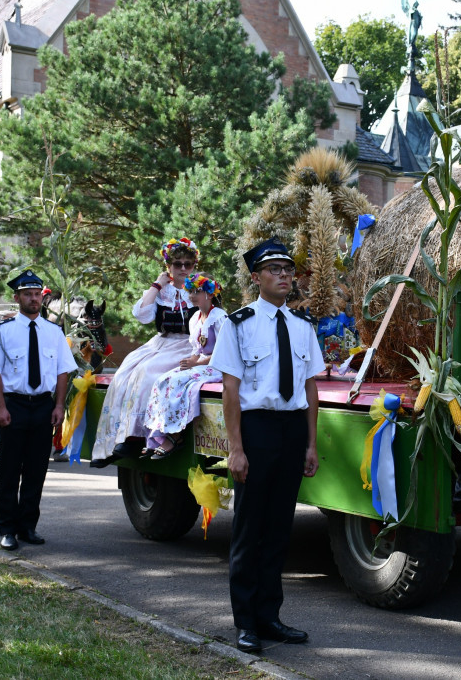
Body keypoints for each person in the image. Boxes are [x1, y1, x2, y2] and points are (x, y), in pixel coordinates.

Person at [209, 237, 325, 653]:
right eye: (274, 270)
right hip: (256, 431)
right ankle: (245, 622)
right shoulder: (237, 324)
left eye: (288, 270)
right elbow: (230, 391)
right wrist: (236, 449)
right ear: (256, 277)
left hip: (292, 431)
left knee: (278, 530)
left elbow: (311, 389)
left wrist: (310, 444)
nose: (283, 276)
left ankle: (270, 616)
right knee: (248, 529)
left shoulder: (303, 326)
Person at [0, 270, 76, 551]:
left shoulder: (54, 333)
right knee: (9, 470)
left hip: (44, 407)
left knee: (36, 471)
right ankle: (7, 529)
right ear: (17, 297)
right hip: (14, 406)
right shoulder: (3, 331)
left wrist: (59, 406)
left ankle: (28, 527)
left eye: (37, 294)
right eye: (27, 295)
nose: (33, 299)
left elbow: (61, 372)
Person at [90, 237, 200, 464]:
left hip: (188, 345)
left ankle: (146, 436)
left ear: (193, 266)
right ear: (168, 266)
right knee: (125, 372)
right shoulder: (163, 291)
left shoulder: (200, 289)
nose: (182, 269)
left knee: (149, 373)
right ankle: (126, 436)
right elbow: (141, 315)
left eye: (187, 264)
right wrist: (156, 285)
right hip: (162, 342)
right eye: (177, 264)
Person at [141, 272, 227, 460]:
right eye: (191, 291)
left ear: (210, 294)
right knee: (162, 380)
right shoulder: (195, 317)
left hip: (217, 367)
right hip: (202, 365)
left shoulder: (220, 317)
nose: (192, 295)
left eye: (197, 291)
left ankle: (175, 436)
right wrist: (191, 361)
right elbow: (197, 349)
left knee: (177, 383)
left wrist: (197, 362)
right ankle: (157, 434)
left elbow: (224, 353)